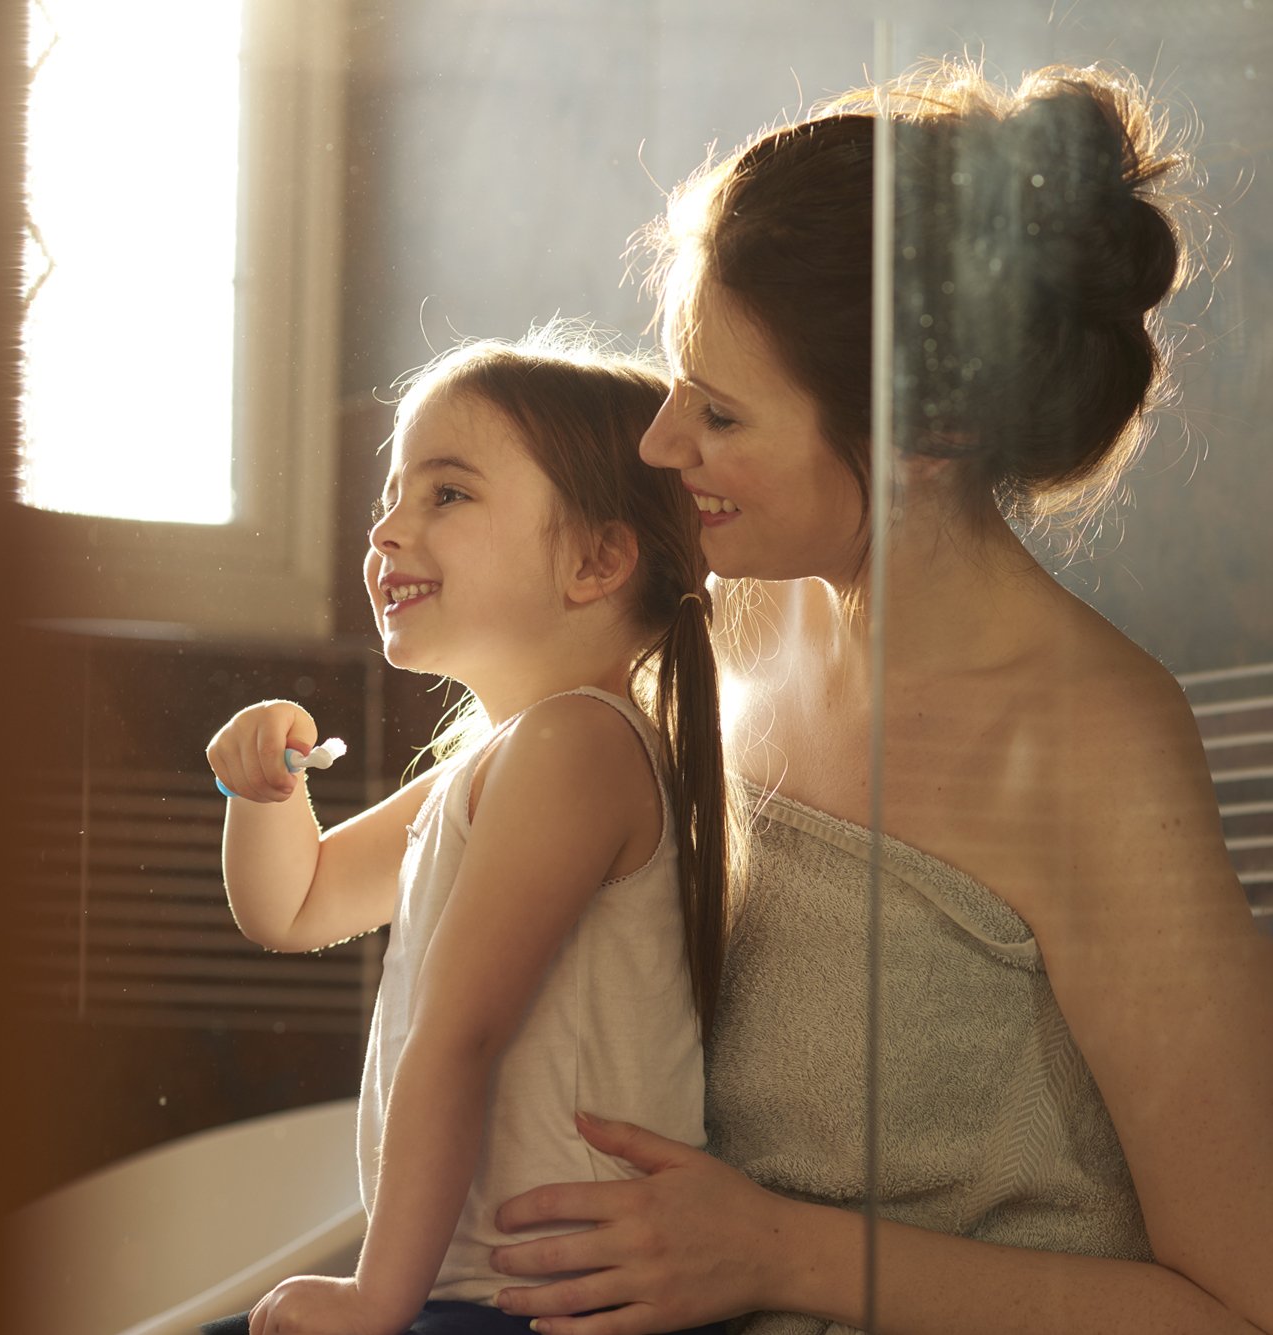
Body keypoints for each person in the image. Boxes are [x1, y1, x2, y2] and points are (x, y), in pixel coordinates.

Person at [483, 59, 1273, 1335]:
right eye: (678, 381)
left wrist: (786, 1257)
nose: (660, 443)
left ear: (928, 434)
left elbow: (1244, 1308)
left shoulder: (1092, 746)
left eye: (722, 413)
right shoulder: (742, 609)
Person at [201, 330, 731, 1335]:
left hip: (550, 1312)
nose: (387, 532)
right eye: (387, 501)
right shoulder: (498, 759)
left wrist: (374, 1299)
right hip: (486, 1296)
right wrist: (265, 793)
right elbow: (297, 904)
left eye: (444, 495)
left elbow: (462, 1035)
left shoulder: (577, 748)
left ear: (596, 559)